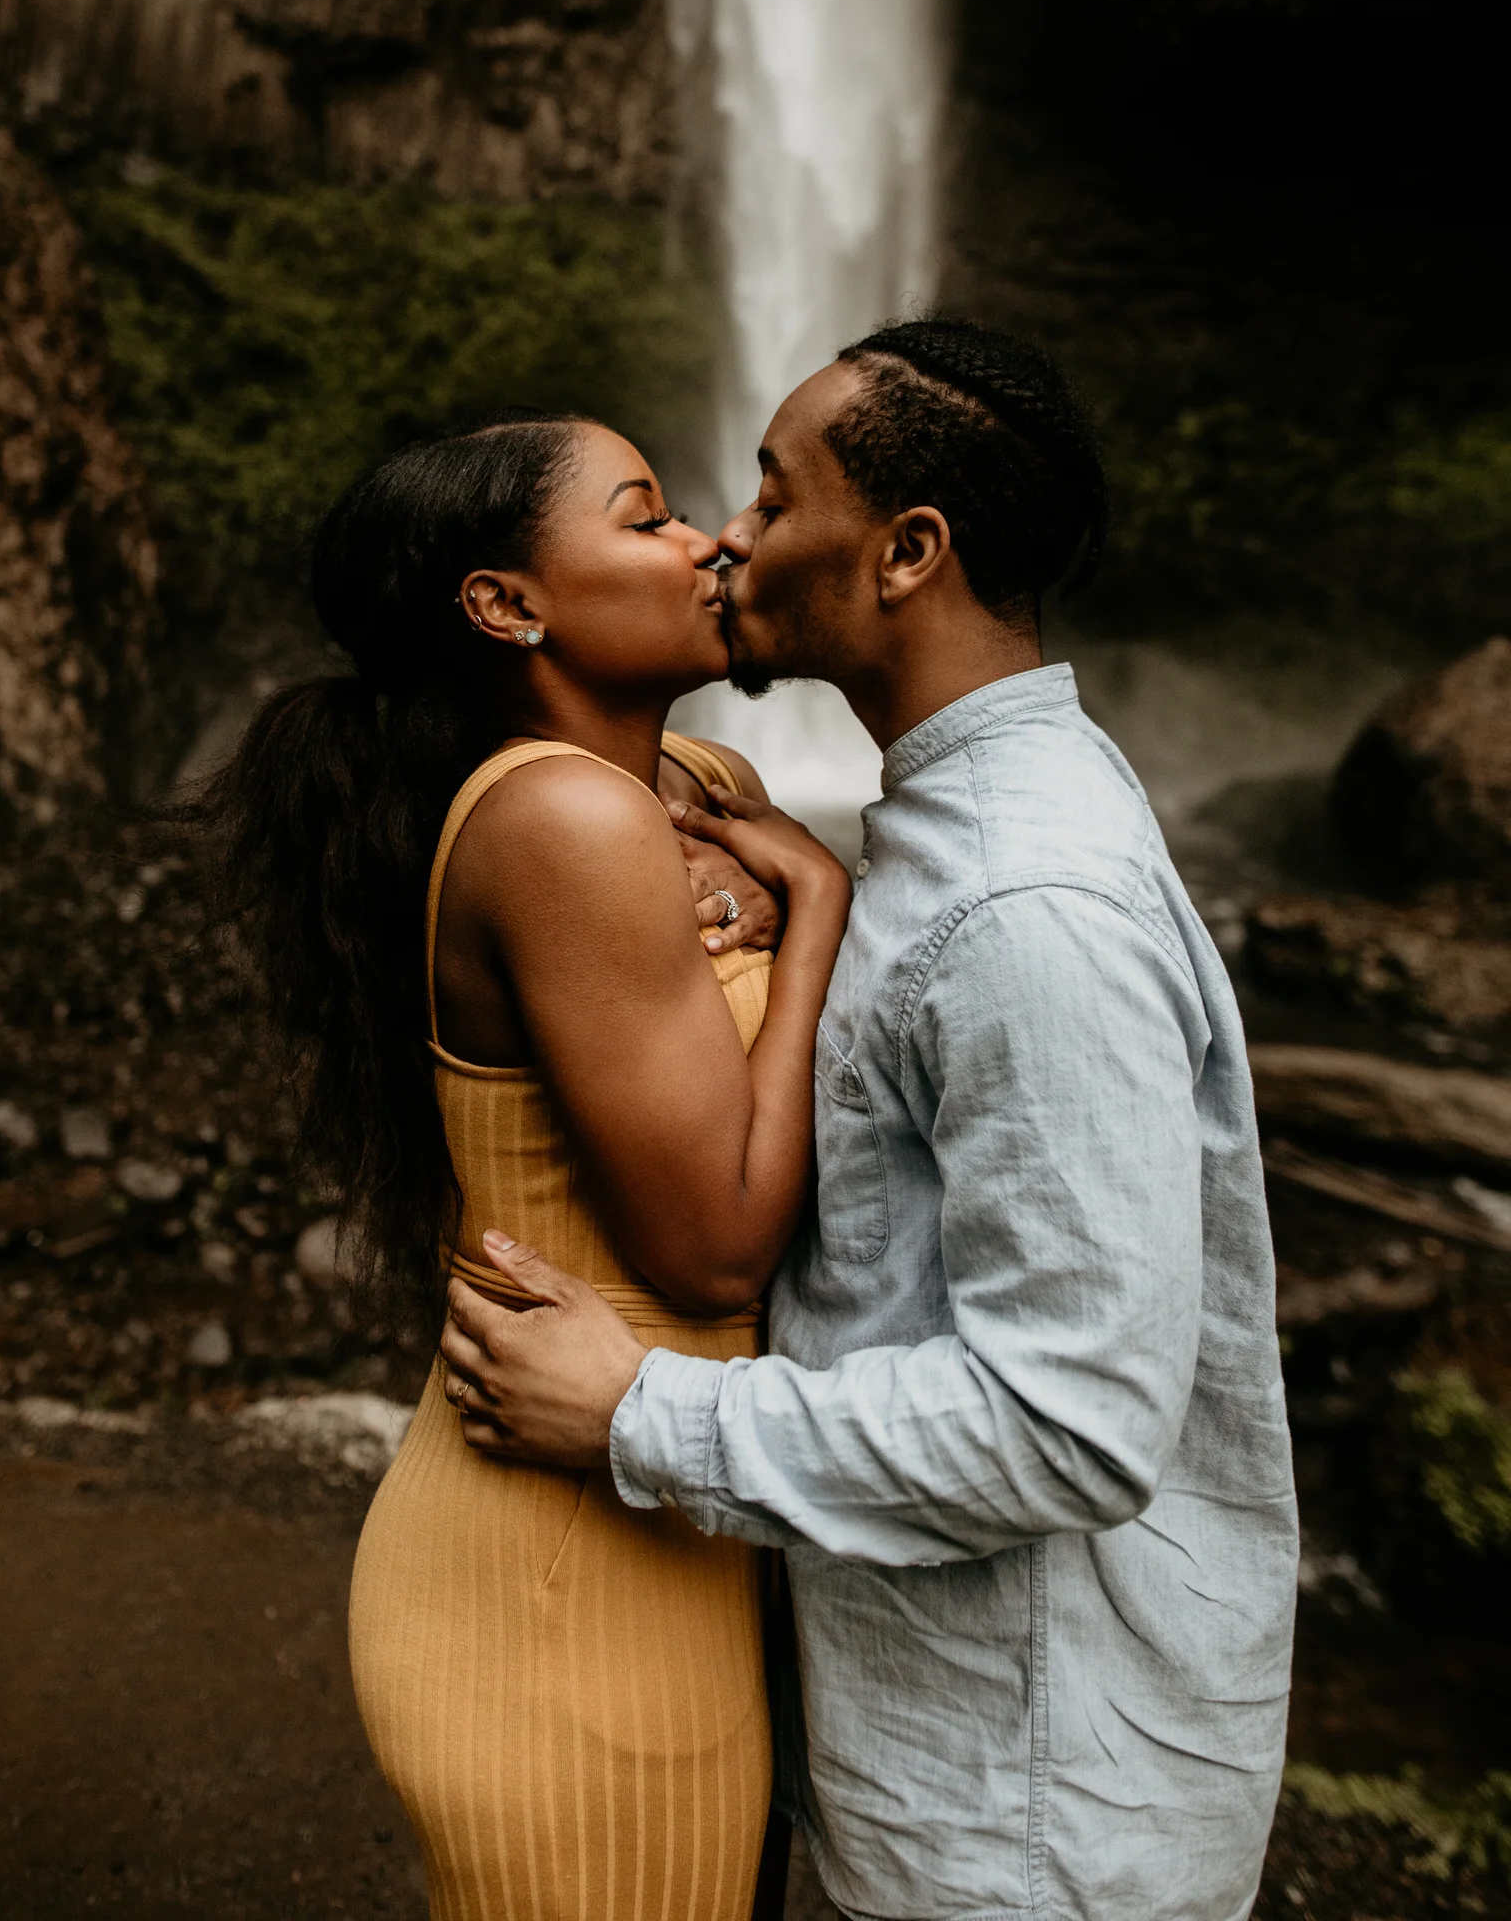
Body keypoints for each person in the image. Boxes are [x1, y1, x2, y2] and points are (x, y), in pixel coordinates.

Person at [440, 317, 1300, 1921]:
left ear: (906, 552)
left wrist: (639, 1414)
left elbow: (1075, 1419)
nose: (731, 537)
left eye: (773, 496)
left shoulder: (1024, 904)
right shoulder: (947, 835)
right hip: (970, 1763)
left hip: (1037, 1817)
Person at [197, 411, 852, 1921]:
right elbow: (715, 1253)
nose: (707, 542)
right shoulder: (562, 817)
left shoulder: (687, 775)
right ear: (506, 603)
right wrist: (815, 904)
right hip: (564, 1573)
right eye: (643, 518)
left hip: (671, 1511)